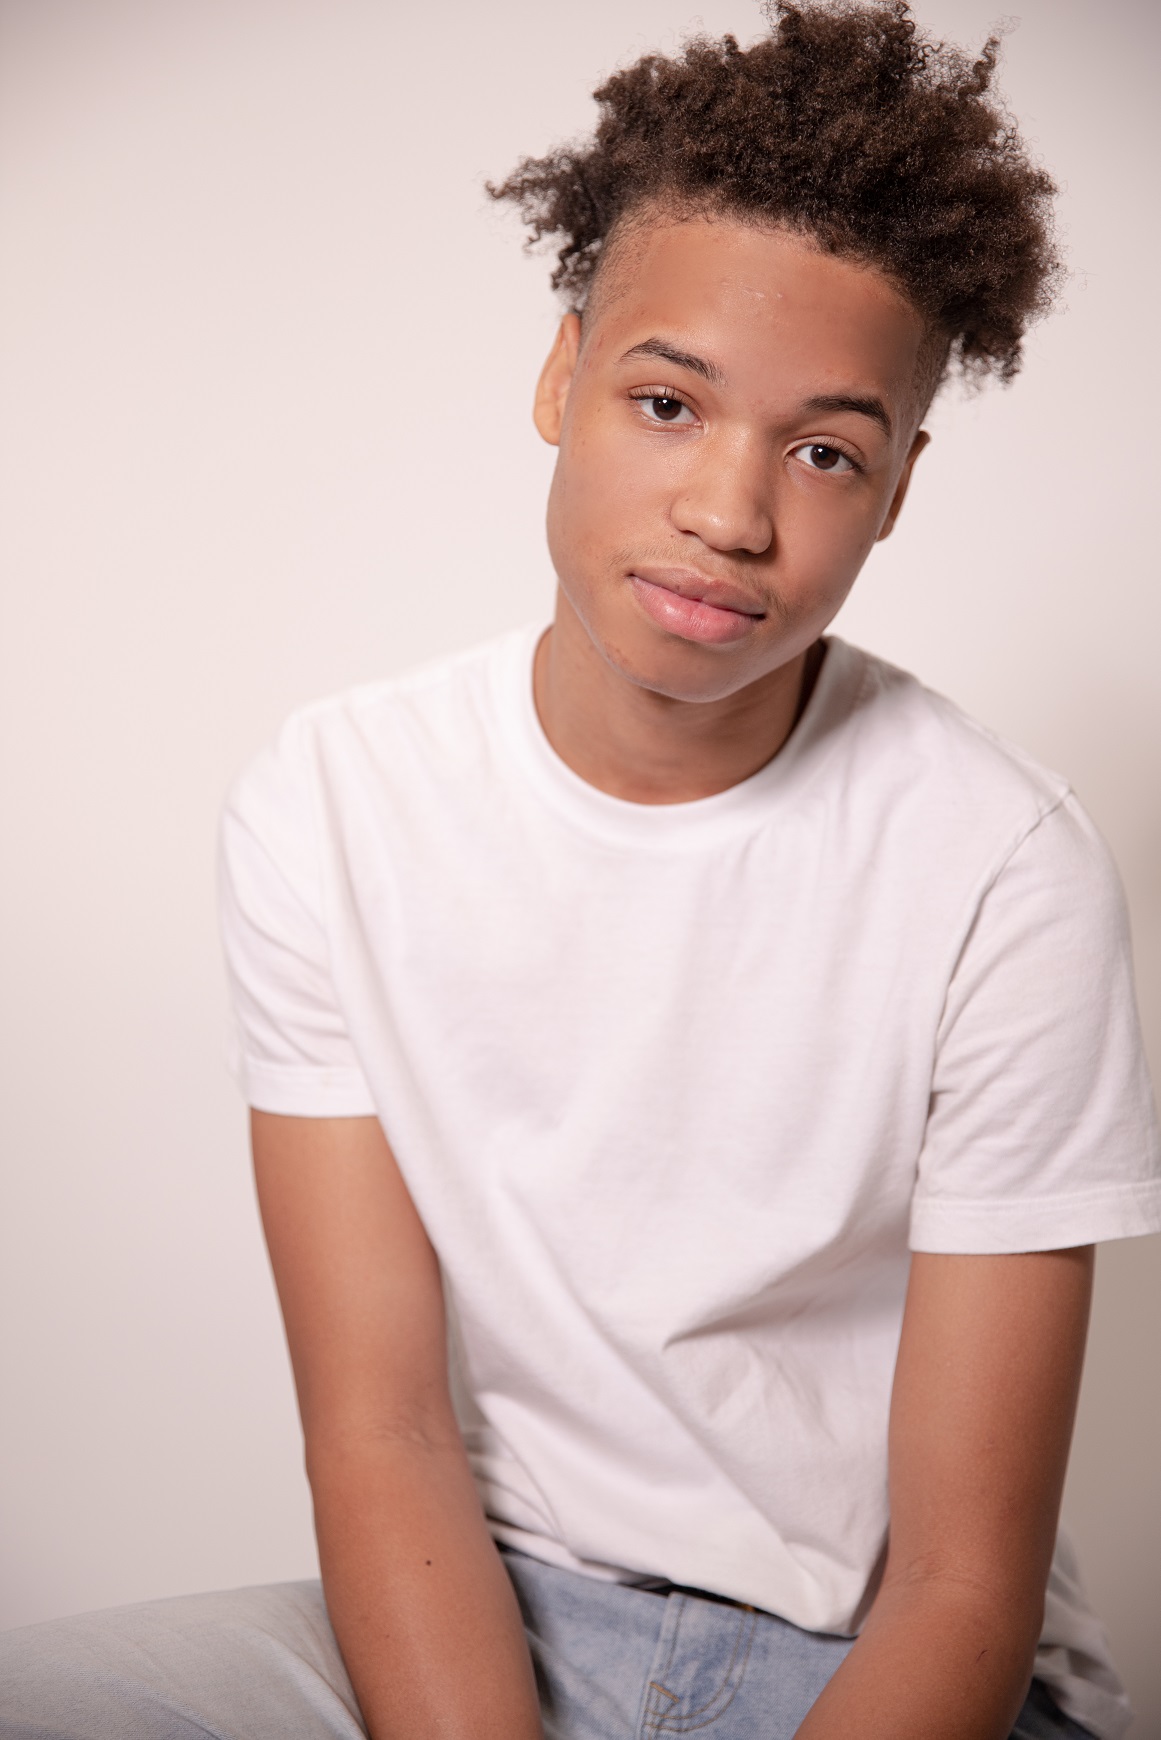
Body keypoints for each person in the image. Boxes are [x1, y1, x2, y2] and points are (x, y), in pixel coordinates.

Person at [2, 3, 1159, 1738]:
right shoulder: (332, 804)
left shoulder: (1001, 865)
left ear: (898, 487)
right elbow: (380, 1430)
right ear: (561, 381)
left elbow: (959, 1587)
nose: (729, 512)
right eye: (666, 403)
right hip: (481, 1604)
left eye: (824, 451)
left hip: (865, 1662)